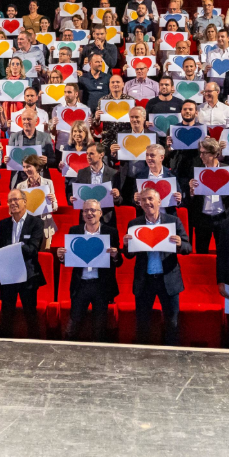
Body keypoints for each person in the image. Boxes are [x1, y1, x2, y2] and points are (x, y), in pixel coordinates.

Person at [123, 188, 191, 345]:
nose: (147, 203)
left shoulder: (173, 221)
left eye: (151, 199)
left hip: (168, 279)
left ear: (159, 202)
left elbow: (188, 247)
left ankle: (172, 358)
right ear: (139, 203)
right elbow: (128, 255)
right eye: (144, 200)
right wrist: (126, 245)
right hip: (145, 280)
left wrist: (180, 244)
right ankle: (142, 359)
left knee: (172, 323)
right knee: (142, 324)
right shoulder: (134, 224)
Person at [57, 198, 123, 341]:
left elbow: (119, 262)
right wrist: (61, 257)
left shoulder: (110, 232)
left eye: (93, 210)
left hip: (102, 286)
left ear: (100, 213)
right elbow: (69, 259)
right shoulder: (75, 231)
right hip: (81, 285)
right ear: (82, 214)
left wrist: (116, 255)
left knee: (99, 330)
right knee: (72, 328)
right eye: (86, 210)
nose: (89, 213)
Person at [0, 189, 46, 338]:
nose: (13, 203)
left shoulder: (35, 222)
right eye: (10, 201)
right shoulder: (4, 224)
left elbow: (33, 249)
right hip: (8, 274)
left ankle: (34, 345)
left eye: (16, 199)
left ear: (24, 201)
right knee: (6, 314)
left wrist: (14, 247)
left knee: (30, 313)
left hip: (28, 275)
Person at [189, 137, 229, 253]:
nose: (201, 156)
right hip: (203, 219)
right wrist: (191, 191)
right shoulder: (197, 171)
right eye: (200, 153)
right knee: (201, 253)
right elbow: (191, 200)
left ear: (215, 154)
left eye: (204, 153)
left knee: (224, 252)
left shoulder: (227, 170)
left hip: (222, 217)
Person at [16, 154, 58, 249]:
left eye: (28, 166)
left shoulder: (48, 183)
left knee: (44, 256)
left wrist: (52, 201)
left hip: (45, 226)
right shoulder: (20, 186)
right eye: (24, 167)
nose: (26, 170)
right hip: (28, 226)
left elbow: (55, 207)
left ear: (36, 166)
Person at [6, 109, 56, 186]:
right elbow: (9, 159)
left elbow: (53, 159)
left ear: (36, 121)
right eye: (24, 119)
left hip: (38, 179)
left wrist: (47, 160)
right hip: (19, 179)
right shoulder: (14, 137)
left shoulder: (45, 137)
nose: (26, 122)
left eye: (29, 119)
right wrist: (7, 160)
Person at [134, 144, 182, 215]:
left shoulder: (171, 175)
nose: (148, 158)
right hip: (146, 218)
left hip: (167, 217)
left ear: (161, 157)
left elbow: (180, 202)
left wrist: (179, 200)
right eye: (147, 155)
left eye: (152, 155)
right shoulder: (140, 176)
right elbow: (134, 202)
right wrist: (136, 200)